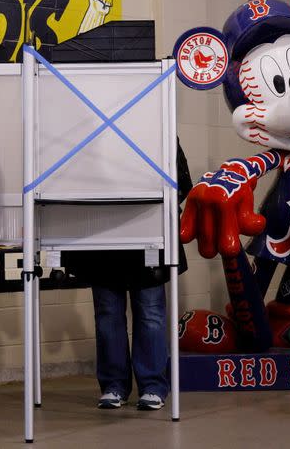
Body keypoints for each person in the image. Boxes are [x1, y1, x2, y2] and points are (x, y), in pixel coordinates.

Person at [65, 140, 193, 411]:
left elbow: (181, 182)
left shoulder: (156, 118)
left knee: (146, 312)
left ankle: (150, 385)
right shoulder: (88, 130)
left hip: (146, 229)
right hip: (103, 233)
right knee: (111, 312)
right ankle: (116, 385)